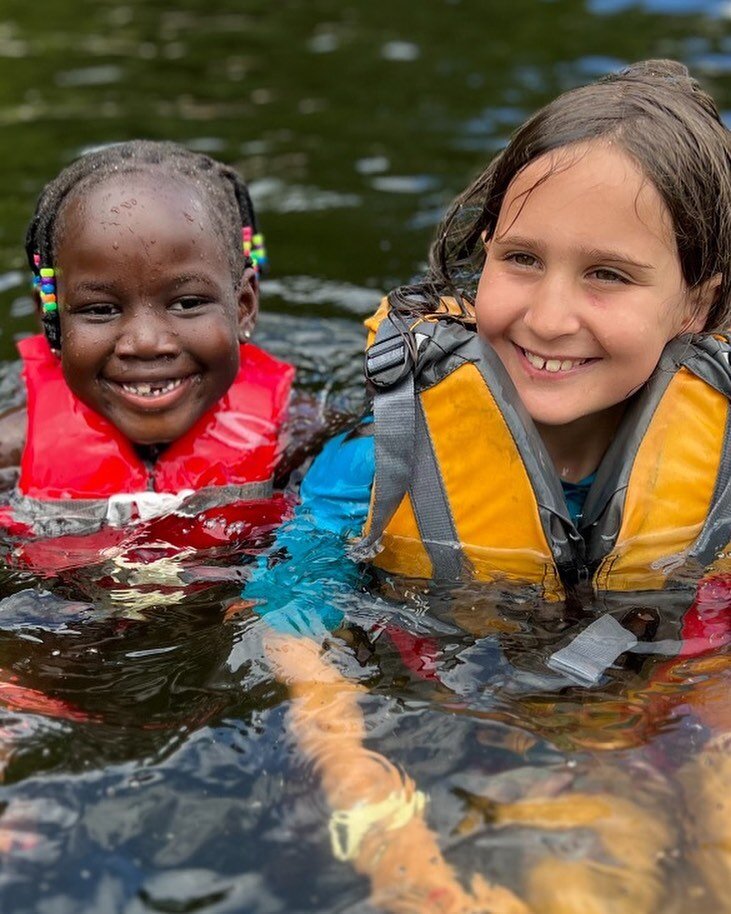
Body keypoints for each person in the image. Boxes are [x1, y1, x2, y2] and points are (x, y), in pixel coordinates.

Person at [235, 60, 731, 913]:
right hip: (452, 737)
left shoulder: (719, 473)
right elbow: (288, 622)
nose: (545, 317)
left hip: (652, 730)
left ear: (696, 304)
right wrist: (365, 789)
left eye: (606, 274)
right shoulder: (380, 461)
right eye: (521, 260)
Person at [0, 140, 297, 574]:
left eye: (187, 303)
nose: (144, 342)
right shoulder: (11, 449)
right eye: (100, 309)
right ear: (51, 318)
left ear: (244, 306)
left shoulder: (297, 433)